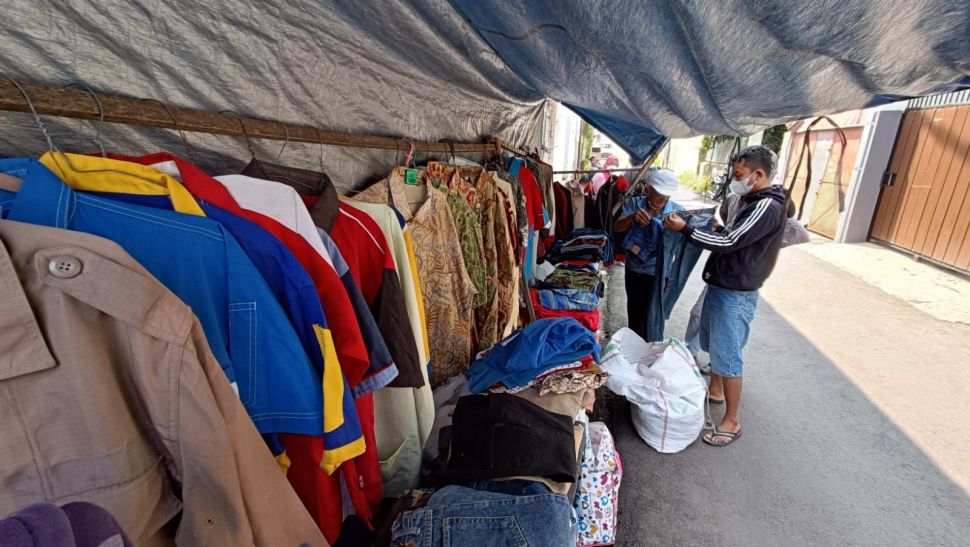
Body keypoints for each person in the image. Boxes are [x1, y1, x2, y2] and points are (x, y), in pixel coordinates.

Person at [663, 145, 788, 447]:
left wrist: (686, 229)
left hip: (735, 291)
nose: (735, 179)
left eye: (739, 175)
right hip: (723, 285)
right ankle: (716, 389)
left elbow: (730, 240)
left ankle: (731, 421)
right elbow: (733, 233)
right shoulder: (749, 200)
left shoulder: (765, 206)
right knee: (715, 343)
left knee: (728, 355)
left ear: (759, 174)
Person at [614, 169, 682, 341]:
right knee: (635, 311)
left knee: (654, 314)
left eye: (667, 195)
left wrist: (682, 228)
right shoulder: (635, 204)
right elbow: (617, 227)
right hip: (635, 269)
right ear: (648, 189)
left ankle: (650, 347)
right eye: (659, 193)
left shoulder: (677, 212)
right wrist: (632, 219)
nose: (663, 199)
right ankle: (634, 347)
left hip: (660, 272)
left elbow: (689, 239)